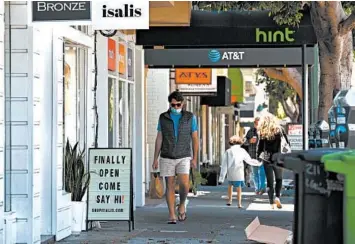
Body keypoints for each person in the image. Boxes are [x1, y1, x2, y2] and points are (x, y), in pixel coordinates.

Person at [152, 91, 199, 224]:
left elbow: (195, 138)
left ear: (182, 104)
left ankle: (182, 204)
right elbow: (159, 138)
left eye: (178, 105)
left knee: (184, 184)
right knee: (170, 185)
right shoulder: (163, 117)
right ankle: (172, 214)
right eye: (174, 105)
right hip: (167, 155)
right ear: (170, 104)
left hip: (184, 155)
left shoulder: (190, 117)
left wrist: (195, 158)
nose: (176, 107)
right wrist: (155, 158)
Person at [218, 136, 262, 208]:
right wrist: (258, 163)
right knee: (239, 189)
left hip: (230, 173)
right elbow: (249, 160)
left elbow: (224, 165)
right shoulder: (242, 151)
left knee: (230, 186)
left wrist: (221, 179)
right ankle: (239, 203)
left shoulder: (228, 151)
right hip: (239, 172)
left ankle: (229, 200)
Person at [257, 115, 286, 209]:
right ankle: (277, 197)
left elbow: (260, 147)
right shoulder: (280, 130)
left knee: (269, 182)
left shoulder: (263, 132)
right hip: (278, 157)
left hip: (267, 158)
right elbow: (287, 143)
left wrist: (258, 157)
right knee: (279, 179)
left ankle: (271, 203)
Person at [244, 117, 266, 195]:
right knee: (255, 173)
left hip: (262, 155)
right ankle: (257, 188)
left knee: (262, 172)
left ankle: (262, 188)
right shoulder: (250, 131)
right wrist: (249, 141)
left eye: (258, 123)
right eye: (255, 123)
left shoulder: (265, 131)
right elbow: (244, 142)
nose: (257, 125)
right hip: (253, 155)